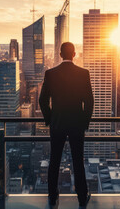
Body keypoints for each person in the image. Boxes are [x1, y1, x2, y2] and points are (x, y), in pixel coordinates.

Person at [39, 42, 94, 209]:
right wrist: (84, 122)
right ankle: (82, 198)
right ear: (74, 54)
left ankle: (52, 197)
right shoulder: (83, 73)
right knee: (78, 161)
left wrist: (50, 119)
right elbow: (89, 101)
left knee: (54, 161)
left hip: (58, 124)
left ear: (60, 54)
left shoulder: (50, 74)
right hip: (77, 124)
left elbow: (42, 100)